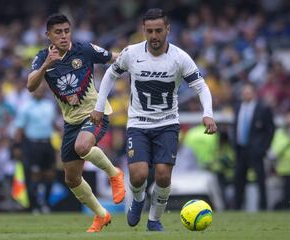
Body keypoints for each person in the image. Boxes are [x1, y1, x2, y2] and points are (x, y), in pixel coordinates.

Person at [90, 8, 217, 231]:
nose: (154, 36)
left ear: (167, 29)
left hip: (167, 124)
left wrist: (208, 113)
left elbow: (200, 86)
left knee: (163, 175)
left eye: (159, 30)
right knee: (138, 176)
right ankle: (138, 201)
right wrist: (99, 106)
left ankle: (154, 220)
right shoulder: (131, 53)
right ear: (143, 30)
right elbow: (110, 74)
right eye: (150, 31)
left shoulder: (179, 57)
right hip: (138, 123)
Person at [27, 14, 125, 232]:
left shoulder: (84, 49)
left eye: (66, 31)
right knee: (71, 178)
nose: (63, 36)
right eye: (58, 32)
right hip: (71, 123)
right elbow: (31, 86)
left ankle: (114, 173)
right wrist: (45, 66)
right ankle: (101, 215)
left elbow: (115, 57)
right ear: (48, 35)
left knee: (82, 147)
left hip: (95, 114)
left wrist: (138, 56)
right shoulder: (43, 57)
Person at [14, 82, 58, 214]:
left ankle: (45, 203)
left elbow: (53, 124)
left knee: (50, 174)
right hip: (33, 144)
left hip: (48, 143)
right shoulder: (25, 107)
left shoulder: (49, 105)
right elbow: (19, 129)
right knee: (35, 176)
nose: (39, 91)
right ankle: (34, 206)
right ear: (32, 90)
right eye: (37, 88)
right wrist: (17, 146)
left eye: (41, 89)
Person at [233, 82, 275, 210]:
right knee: (239, 180)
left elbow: (270, 129)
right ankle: (237, 207)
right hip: (241, 149)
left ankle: (263, 206)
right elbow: (235, 127)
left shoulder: (263, 108)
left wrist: (263, 148)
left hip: (256, 150)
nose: (246, 95)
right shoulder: (238, 107)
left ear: (254, 93)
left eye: (248, 92)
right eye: (244, 93)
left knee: (260, 180)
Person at [270, 109, 290, 209]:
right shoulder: (280, 133)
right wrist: (288, 139)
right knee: (288, 193)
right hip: (285, 169)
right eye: (289, 118)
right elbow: (275, 151)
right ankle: (289, 208)